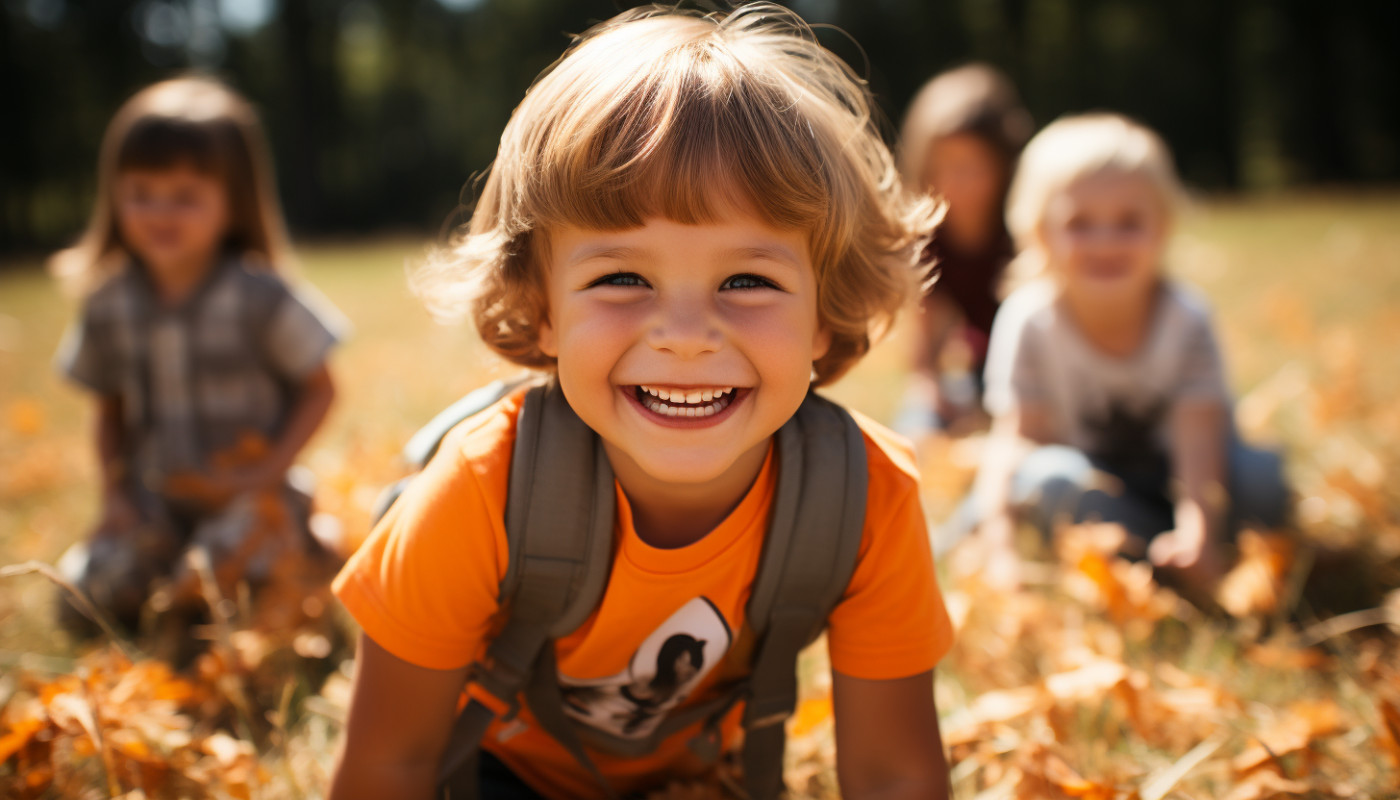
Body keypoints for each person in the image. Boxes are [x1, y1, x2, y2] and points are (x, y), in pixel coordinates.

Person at [328, 5, 954, 799]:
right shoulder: (480, 490)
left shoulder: (863, 497)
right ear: (540, 306)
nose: (686, 336)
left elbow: (894, 774)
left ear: (827, 315)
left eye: (747, 281)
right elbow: (390, 764)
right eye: (622, 278)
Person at [50, 77, 344, 637]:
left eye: (185, 197)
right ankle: (183, 571)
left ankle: (307, 542)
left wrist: (268, 471)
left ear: (232, 202)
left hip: (247, 497)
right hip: (156, 501)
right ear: (114, 196)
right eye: (141, 193)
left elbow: (321, 387)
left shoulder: (260, 295)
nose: (161, 212)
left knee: (226, 587)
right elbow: (108, 410)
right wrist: (115, 501)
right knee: (82, 602)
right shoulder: (109, 301)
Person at [960, 113, 1289, 592]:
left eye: (1129, 222)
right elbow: (1015, 441)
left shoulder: (1186, 319)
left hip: (1191, 477)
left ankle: (1192, 552)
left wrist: (1199, 530)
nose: (1105, 241)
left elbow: (1199, 437)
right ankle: (1145, 555)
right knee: (1049, 481)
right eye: (1080, 223)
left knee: (1262, 479)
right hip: (1102, 485)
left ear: (1163, 226)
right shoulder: (1028, 319)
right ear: (1039, 231)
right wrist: (999, 543)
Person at [894, 64, 1033, 437]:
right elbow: (926, 355)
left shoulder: (1025, 231)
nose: (962, 184)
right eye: (948, 168)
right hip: (981, 374)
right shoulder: (928, 236)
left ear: (1006, 167)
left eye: (976, 168)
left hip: (1040, 375)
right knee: (917, 427)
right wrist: (930, 389)